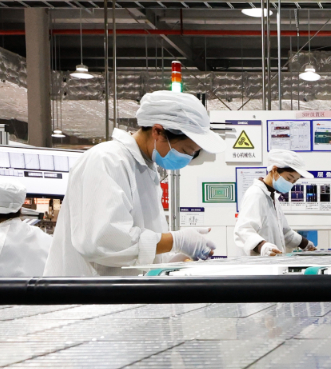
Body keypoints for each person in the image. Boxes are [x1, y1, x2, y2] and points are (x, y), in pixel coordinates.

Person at [44, 90, 227, 276]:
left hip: (116, 294)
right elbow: (103, 241)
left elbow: (140, 250)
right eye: (186, 150)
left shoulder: (146, 170)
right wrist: (176, 240)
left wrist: (177, 257)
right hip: (85, 296)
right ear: (158, 131)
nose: (187, 158)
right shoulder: (107, 160)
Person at [234, 149, 318, 256]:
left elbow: (285, 233)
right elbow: (244, 230)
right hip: (256, 265)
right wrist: (262, 246)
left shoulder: (272, 197)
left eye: (294, 181)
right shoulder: (256, 194)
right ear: (274, 170)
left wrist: (306, 244)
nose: (290, 184)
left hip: (271, 263)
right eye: (289, 178)